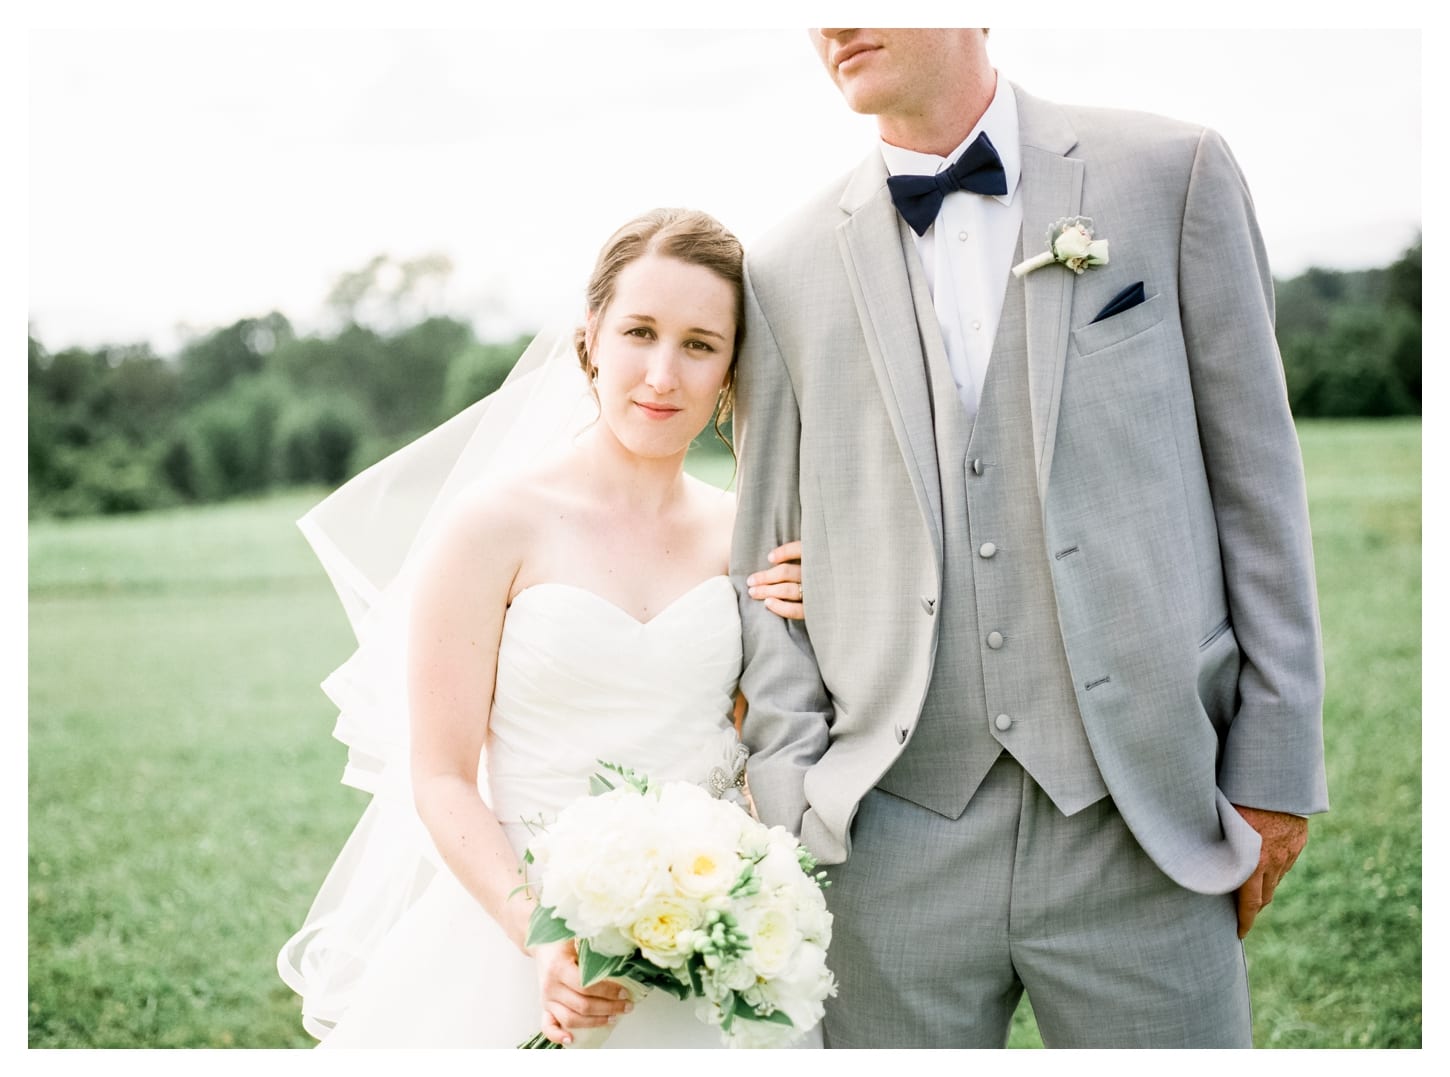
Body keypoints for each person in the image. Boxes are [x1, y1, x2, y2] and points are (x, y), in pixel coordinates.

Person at [732, 29, 1328, 1048]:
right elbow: (765, 556)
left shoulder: (1169, 175)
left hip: (1142, 817)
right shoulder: (781, 269)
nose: (832, 22)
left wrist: (1272, 769)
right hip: (889, 836)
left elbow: (1258, 486)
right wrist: (791, 798)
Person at [278, 208, 811, 1048]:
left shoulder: (745, 534)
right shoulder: (493, 525)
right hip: (514, 930)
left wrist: (822, 606)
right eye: (640, 331)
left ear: (731, 370)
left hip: (707, 936)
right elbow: (443, 775)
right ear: (589, 338)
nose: (663, 374)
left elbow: (762, 733)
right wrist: (541, 935)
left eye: (700, 344)